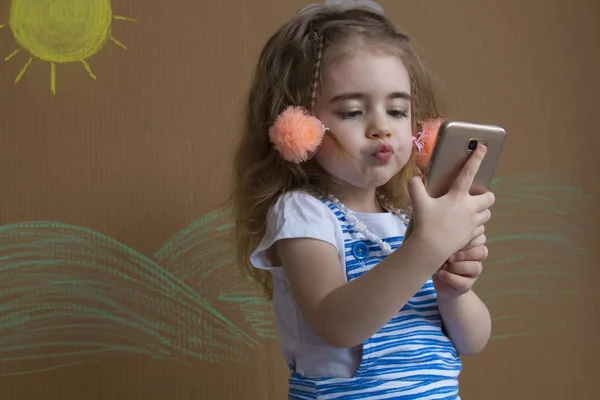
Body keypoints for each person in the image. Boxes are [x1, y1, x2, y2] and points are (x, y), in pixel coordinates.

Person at [231, 1, 495, 398]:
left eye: (396, 110)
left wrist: (453, 291)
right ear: (299, 126)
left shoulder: (409, 218)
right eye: (353, 112)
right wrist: (428, 247)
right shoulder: (303, 214)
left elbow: (472, 342)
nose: (381, 129)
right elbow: (338, 325)